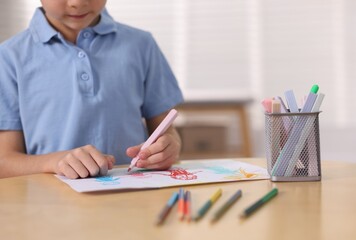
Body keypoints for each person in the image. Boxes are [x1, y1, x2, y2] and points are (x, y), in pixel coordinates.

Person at [0, 0, 184, 179]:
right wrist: (54, 162)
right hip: (50, 202)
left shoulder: (142, 45)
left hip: (134, 195)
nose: (78, 3)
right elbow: (5, 162)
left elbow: (166, 130)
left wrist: (170, 147)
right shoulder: (9, 57)